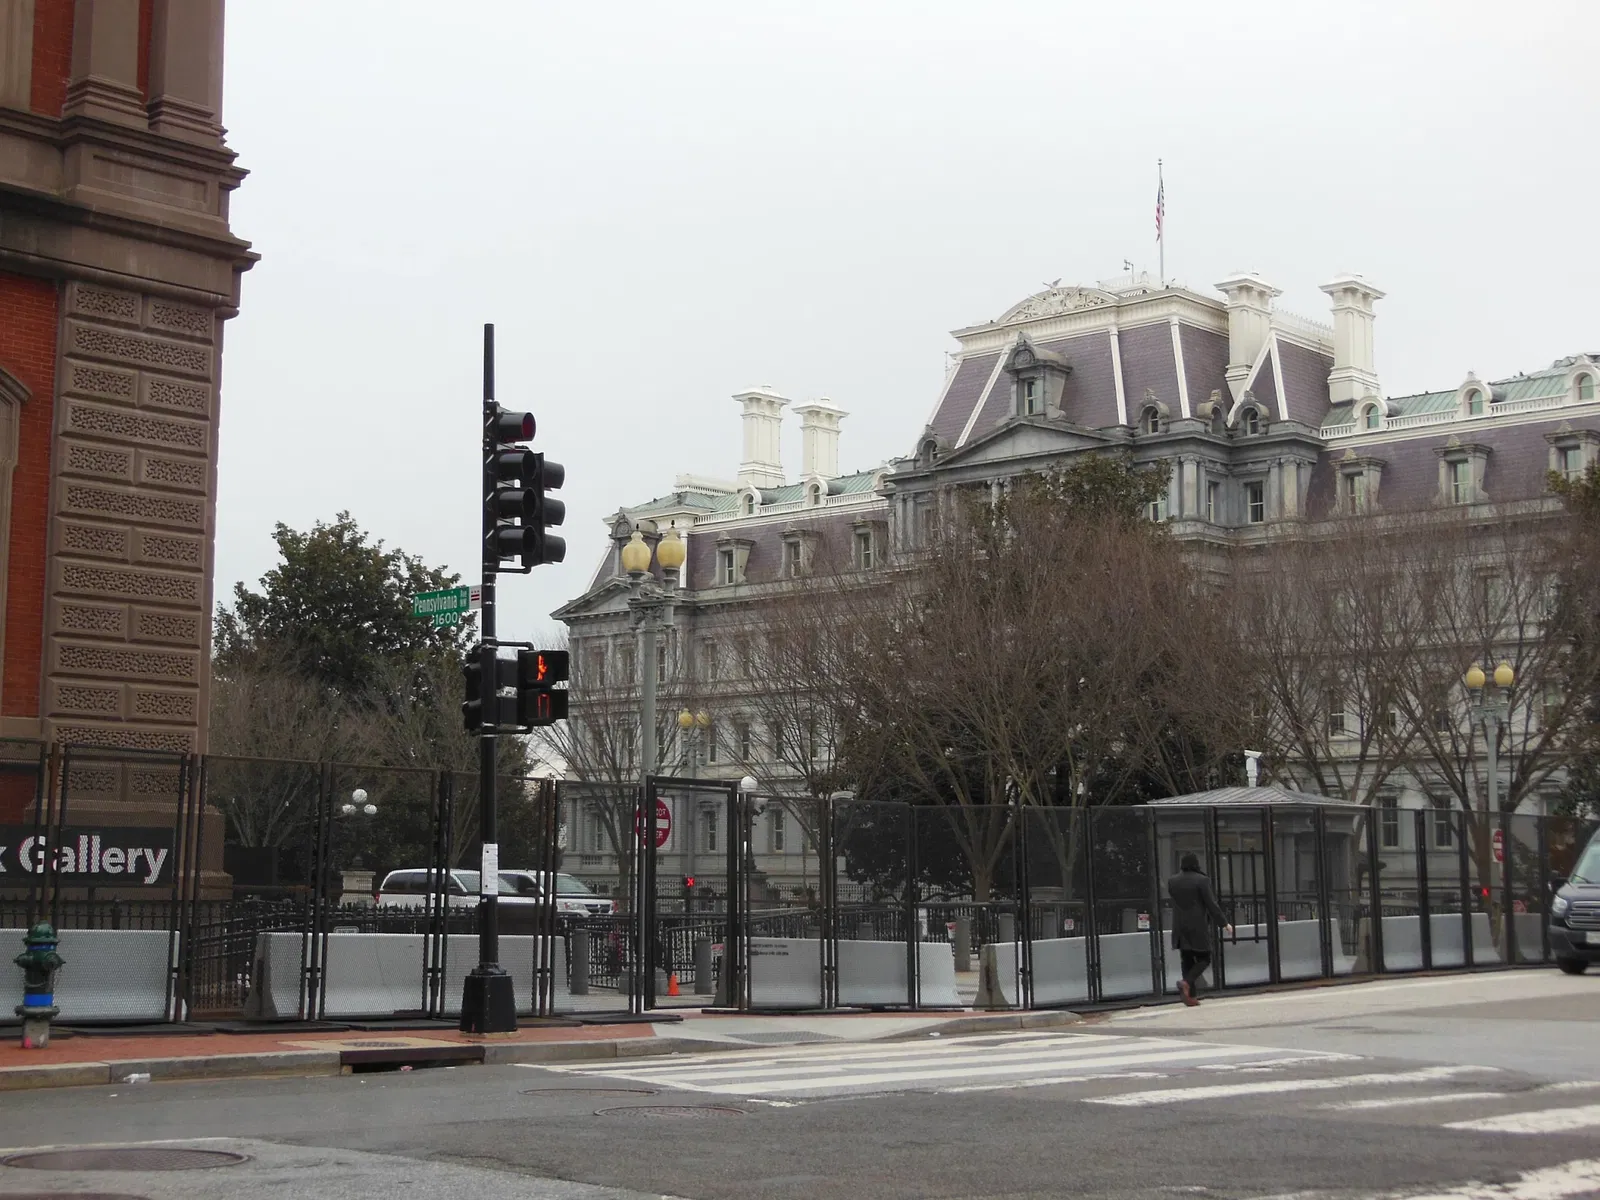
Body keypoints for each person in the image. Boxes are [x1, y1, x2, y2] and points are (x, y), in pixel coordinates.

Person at [1167, 852, 1231, 1006]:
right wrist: (1224, 923)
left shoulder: (1172, 881)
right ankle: (1187, 983)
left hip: (1179, 926)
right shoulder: (1202, 880)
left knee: (1186, 959)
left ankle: (1190, 996)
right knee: (1205, 958)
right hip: (1197, 926)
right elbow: (1211, 904)